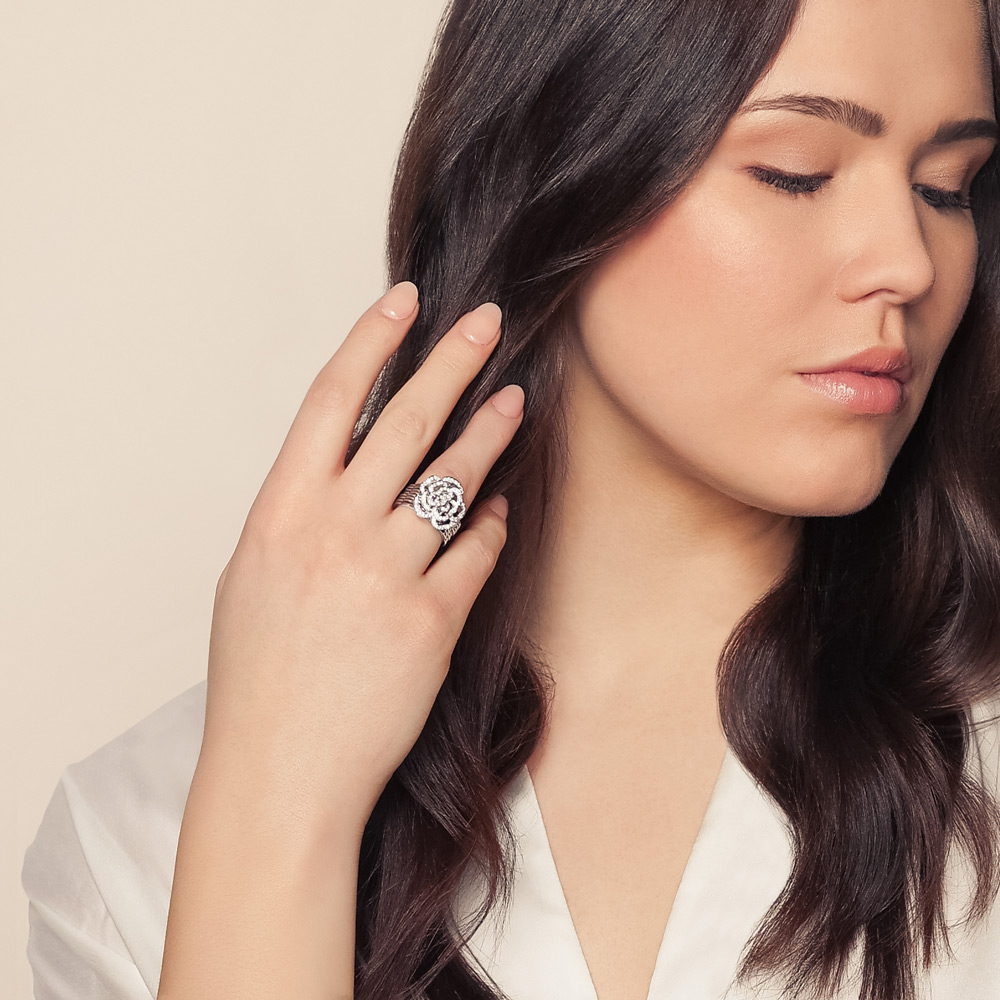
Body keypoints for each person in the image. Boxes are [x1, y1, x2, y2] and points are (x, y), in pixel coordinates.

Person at [21, 0, 1000, 997]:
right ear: (560, 162)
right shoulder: (144, 832)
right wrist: (281, 805)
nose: (909, 263)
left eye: (946, 186)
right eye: (795, 170)